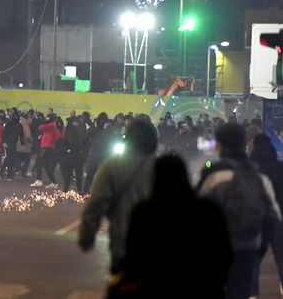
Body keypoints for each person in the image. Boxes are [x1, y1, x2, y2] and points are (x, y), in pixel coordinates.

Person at [116, 155, 232, 298]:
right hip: (200, 287)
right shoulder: (208, 210)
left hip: (154, 287)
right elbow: (225, 252)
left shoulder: (144, 212)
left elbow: (133, 255)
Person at [198, 123, 281, 299]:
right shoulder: (257, 175)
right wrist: (260, 243)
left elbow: (195, 211)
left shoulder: (212, 174)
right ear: (244, 144)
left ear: (219, 145)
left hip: (216, 249)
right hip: (248, 246)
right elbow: (273, 216)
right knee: (241, 291)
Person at [78, 118, 158, 273]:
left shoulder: (114, 164)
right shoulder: (163, 165)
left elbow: (97, 202)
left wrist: (87, 236)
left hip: (122, 241)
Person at [249, 133, 283, 297]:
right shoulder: (280, 167)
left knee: (254, 259)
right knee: (281, 257)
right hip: (279, 218)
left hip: (256, 219)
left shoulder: (250, 170)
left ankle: (253, 294)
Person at [31, 114, 62, 188]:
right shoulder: (53, 126)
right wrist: (46, 137)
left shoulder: (51, 125)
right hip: (48, 147)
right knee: (43, 164)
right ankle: (49, 182)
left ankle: (45, 181)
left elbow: (40, 127)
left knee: (40, 163)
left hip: (46, 147)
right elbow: (58, 135)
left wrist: (45, 122)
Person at [60, 115, 88, 193]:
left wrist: (83, 152)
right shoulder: (68, 130)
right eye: (74, 122)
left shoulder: (82, 130)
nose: (75, 124)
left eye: (76, 122)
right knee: (68, 173)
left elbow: (86, 143)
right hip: (70, 155)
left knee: (79, 174)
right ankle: (65, 189)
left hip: (78, 155)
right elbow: (64, 142)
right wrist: (67, 150)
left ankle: (79, 190)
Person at [0, 112, 22, 179]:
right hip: (9, 142)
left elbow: (20, 133)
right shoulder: (8, 124)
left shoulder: (18, 125)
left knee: (11, 158)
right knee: (10, 157)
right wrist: (4, 142)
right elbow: (4, 133)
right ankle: (7, 173)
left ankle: (6, 172)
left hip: (14, 142)